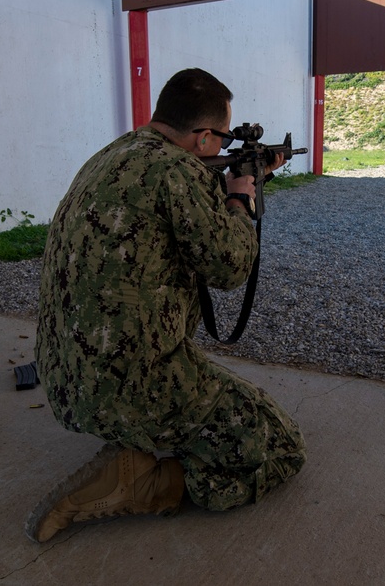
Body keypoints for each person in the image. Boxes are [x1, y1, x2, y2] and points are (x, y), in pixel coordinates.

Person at [25, 68, 307, 542]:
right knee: (281, 448)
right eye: (219, 139)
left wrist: (241, 179)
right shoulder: (178, 172)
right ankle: (144, 483)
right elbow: (230, 268)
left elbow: (166, 215)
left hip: (66, 376)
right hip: (128, 383)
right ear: (201, 137)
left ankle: (137, 438)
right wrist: (240, 200)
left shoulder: (112, 154)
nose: (220, 149)